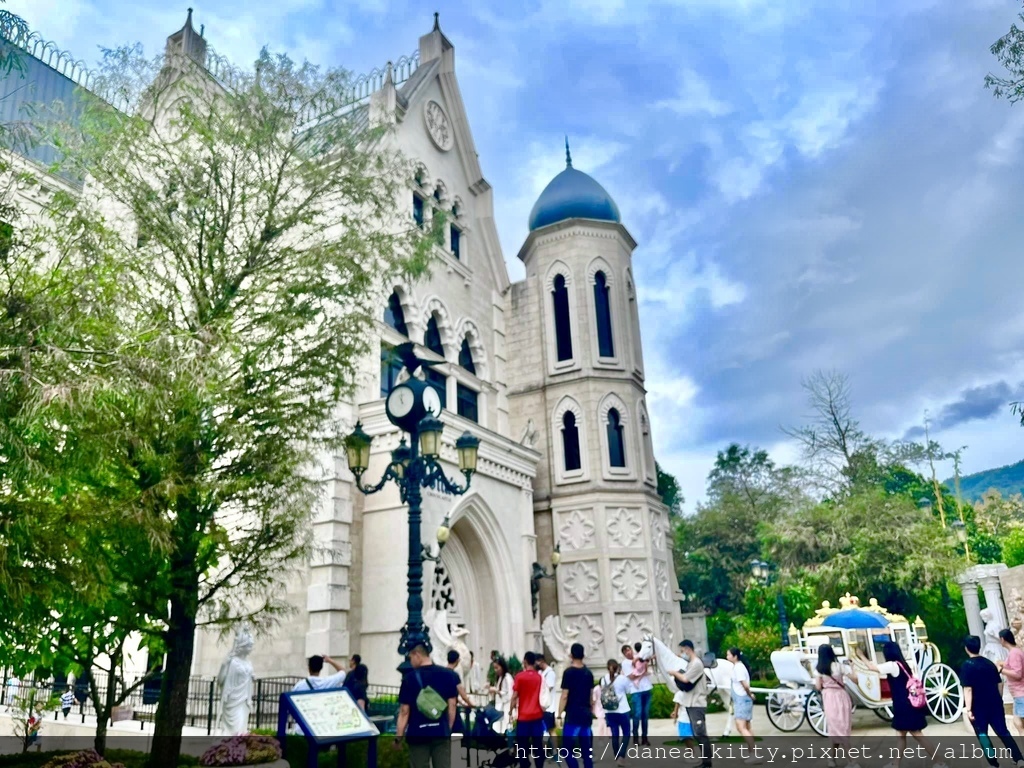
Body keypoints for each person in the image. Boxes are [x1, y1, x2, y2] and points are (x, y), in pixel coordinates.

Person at [857, 641, 946, 768]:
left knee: (917, 735)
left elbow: (873, 668)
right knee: (901, 736)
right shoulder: (903, 664)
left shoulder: (892, 665)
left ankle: (940, 762)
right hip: (906, 705)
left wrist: (861, 655)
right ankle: (895, 764)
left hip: (904, 707)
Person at [961, 634, 1024, 768]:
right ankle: (1018, 758)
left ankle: (993, 763)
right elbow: (1000, 684)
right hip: (995, 704)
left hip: (978, 707)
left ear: (967, 648)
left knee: (983, 734)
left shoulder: (967, 666)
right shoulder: (989, 664)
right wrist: (998, 698)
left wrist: (969, 708)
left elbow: (968, 690)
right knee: (1003, 732)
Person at [395, 644, 458, 768]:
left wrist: (398, 737)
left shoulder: (409, 679)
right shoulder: (448, 675)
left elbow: (404, 711)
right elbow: (453, 704)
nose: (410, 661)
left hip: (417, 733)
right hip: (440, 731)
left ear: (417, 655)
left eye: (411, 657)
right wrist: (447, 727)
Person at [667, 640, 711, 768]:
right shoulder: (691, 664)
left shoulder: (696, 664)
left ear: (688, 648)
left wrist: (675, 673)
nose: (682, 654)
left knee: (701, 734)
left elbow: (686, 679)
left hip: (697, 703)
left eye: (682, 650)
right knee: (697, 734)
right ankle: (704, 762)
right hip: (691, 703)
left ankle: (707, 763)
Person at [814, 645, 857, 768]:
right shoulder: (839, 666)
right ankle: (839, 760)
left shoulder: (819, 669)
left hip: (829, 698)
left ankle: (850, 762)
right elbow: (855, 679)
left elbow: (817, 686)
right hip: (842, 697)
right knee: (841, 729)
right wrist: (853, 667)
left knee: (836, 729)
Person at [558, 642, 595, 768]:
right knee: (586, 750)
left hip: (573, 715)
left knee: (567, 749)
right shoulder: (588, 673)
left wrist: (559, 713)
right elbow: (591, 697)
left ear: (571, 655)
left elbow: (564, 695)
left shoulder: (568, 673)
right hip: (585, 714)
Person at [511, 651, 546, 768]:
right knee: (538, 746)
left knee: (523, 747)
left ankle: (525, 765)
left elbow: (515, 696)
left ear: (525, 662)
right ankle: (539, 765)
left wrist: (510, 711)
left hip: (523, 717)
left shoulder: (519, 677)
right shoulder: (539, 677)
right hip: (537, 716)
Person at [727, 648, 759, 763]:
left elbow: (744, 685)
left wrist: (750, 695)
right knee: (747, 727)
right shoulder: (738, 667)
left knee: (741, 727)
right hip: (741, 699)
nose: (727, 657)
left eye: (729, 655)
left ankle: (754, 754)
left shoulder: (738, 668)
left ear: (735, 656)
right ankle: (752, 752)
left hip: (742, 699)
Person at [600, 659, 632, 766]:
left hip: (609, 710)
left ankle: (616, 756)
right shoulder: (623, 678)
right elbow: (628, 691)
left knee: (615, 734)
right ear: (618, 667)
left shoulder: (603, 679)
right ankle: (621, 756)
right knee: (626, 733)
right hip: (622, 709)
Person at [998, 629, 1024, 737]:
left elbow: (1017, 673)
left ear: (1003, 639)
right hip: (1018, 694)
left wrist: (1000, 670)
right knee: (1017, 722)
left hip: (1020, 693)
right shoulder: (1015, 652)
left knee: (1019, 723)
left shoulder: (1014, 653)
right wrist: (1003, 664)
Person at [628, 641, 653, 747]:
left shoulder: (643, 658)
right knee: (637, 715)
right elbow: (630, 675)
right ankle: (635, 738)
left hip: (647, 688)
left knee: (645, 715)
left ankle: (644, 737)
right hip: (636, 690)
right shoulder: (631, 661)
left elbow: (651, 657)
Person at [536, 655, 559, 758]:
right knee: (545, 731)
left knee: (550, 730)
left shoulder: (550, 673)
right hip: (542, 707)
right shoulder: (541, 673)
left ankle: (554, 751)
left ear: (541, 661)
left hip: (548, 707)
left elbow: (547, 689)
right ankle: (546, 751)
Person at [490, 657, 515, 734]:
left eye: (497, 668)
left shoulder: (507, 677)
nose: (496, 670)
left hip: (506, 705)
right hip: (500, 705)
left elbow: (510, 693)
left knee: (505, 726)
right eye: (494, 668)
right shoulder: (500, 678)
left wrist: (497, 691)